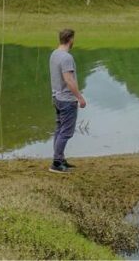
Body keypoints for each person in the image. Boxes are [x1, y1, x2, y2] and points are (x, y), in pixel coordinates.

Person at [48, 28, 87, 173]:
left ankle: (60, 158)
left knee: (59, 130)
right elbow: (69, 80)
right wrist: (80, 98)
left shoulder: (54, 54)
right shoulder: (66, 58)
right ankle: (57, 163)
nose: (73, 41)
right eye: (73, 39)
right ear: (70, 39)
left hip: (56, 97)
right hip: (66, 100)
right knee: (66, 132)